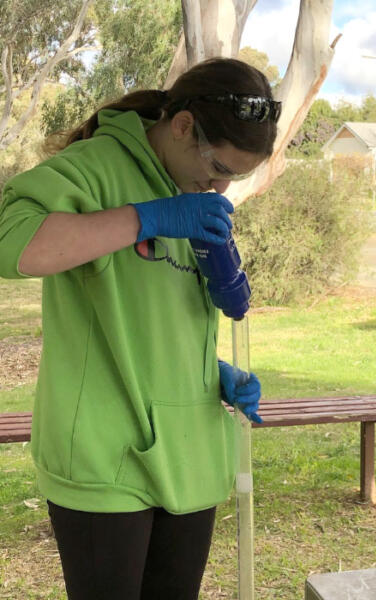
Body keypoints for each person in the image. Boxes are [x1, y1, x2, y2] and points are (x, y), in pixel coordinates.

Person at [0, 57, 281, 599]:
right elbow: (11, 244)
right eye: (218, 167)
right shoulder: (96, 166)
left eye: (236, 177)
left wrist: (207, 373)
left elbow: (158, 314)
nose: (220, 188)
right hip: (104, 457)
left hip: (187, 452)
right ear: (181, 126)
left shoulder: (195, 194)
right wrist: (144, 218)